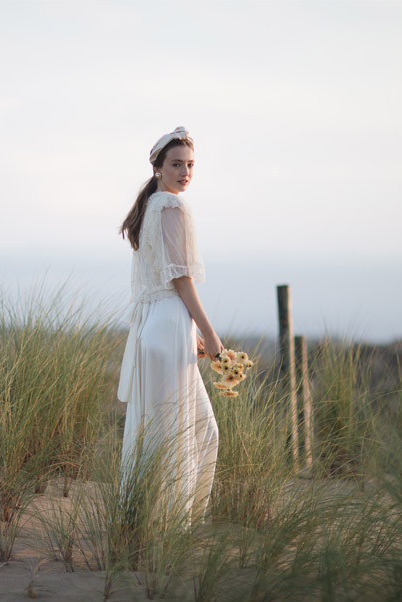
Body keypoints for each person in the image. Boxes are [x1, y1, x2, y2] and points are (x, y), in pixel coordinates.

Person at [117, 126, 222, 521]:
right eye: (177, 164)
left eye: (191, 165)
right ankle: (174, 525)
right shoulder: (172, 207)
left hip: (156, 329)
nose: (185, 172)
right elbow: (180, 278)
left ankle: (146, 520)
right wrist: (209, 332)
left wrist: (190, 331)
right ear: (158, 167)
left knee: (166, 433)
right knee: (186, 434)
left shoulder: (151, 207)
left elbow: (163, 281)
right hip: (167, 328)